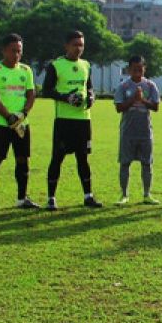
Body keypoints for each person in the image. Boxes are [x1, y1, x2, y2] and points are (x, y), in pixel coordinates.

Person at [40, 30, 102, 210]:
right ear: (66, 45)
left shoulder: (86, 65)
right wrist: (66, 97)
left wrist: (91, 97)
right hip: (64, 120)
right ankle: (51, 198)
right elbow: (47, 90)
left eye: (81, 45)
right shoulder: (56, 65)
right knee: (57, 158)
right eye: (75, 44)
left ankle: (88, 196)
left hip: (83, 119)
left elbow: (89, 88)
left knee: (83, 158)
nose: (78, 48)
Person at [0, 33, 38, 210]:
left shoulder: (26, 70)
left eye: (19, 51)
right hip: (2, 123)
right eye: (13, 51)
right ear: (4, 50)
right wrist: (8, 117)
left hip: (21, 123)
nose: (16, 55)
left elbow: (31, 94)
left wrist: (23, 113)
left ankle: (22, 198)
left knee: (23, 159)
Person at [113, 55, 161, 204]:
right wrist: (133, 99)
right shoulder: (123, 86)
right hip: (128, 131)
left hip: (145, 132)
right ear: (128, 70)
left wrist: (142, 100)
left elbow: (156, 107)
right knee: (125, 163)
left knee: (147, 163)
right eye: (134, 69)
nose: (137, 72)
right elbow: (119, 108)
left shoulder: (151, 86)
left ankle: (147, 194)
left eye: (140, 69)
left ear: (144, 69)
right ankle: (124, 195)